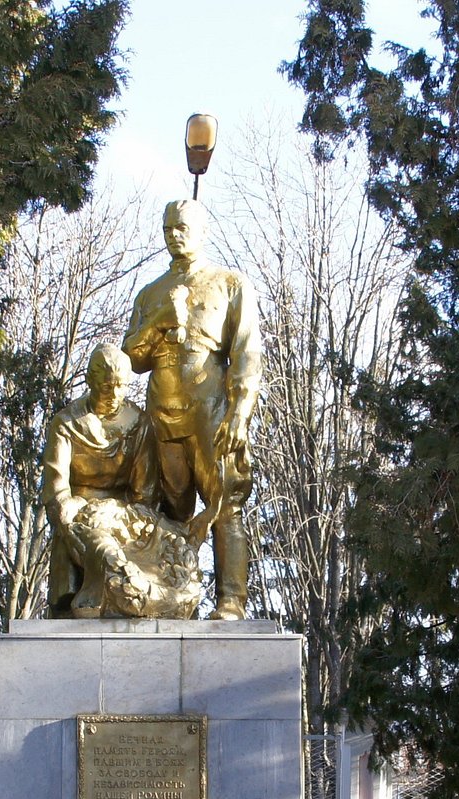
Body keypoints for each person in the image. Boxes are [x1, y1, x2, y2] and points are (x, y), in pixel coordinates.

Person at [122, 198, 262, 620]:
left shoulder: (229, 283)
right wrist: (161, 319)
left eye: (181, 228)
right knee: (168, 510)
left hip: (212, 408)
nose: (174, 236)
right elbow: (132, 357)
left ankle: (231, 600)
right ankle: (172, 598)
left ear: (202, 230)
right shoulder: (150, 293)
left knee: (224, 503)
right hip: (161, 412)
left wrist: (240, 413)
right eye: (168, 229)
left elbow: (247, 353)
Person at [43, 344, 158, 615]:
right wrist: (71, 516)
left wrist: (114, 512)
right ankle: (80, 599)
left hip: (125, 514)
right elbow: (56, 488)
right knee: (75, 532)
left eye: (121, 387)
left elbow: (146, 494)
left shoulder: (139, 424)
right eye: (107, 387)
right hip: (77, 512)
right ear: (90, 380)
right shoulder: (66, 423)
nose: (114, 395)